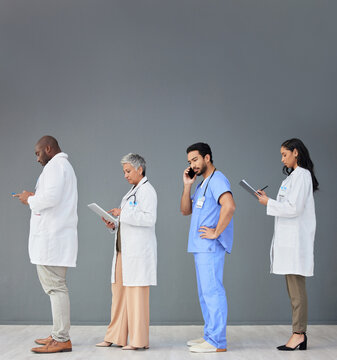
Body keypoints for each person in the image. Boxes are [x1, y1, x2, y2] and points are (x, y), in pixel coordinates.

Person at [14, 136, 78, 353]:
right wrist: (36, 196)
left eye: (38, 153)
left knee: (56, 287)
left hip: (53, 239)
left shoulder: (55, 167)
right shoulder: (61, 167)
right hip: (56, 237)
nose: (37, 158)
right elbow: (52, 197)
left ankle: (61, 338)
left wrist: (29, 199)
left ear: (48, 149)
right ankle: (57, 333)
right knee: (55, 287)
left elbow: (50, 199)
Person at [256, 138, 318, 351]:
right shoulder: (293, 178)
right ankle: (298, 333)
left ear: (296, 153)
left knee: (297, 292)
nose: (282, 159)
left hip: (295, 242)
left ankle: (299, 334)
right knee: (293, 291)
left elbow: (294, 209)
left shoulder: (302, 176)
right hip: (288, 242)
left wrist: (269, 203)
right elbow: (287, 205)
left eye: (284, 154)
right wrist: (269, 200)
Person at [96, 153, 157, 350]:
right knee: (119, 294)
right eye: (124, 172)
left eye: (128, 171)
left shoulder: (148, 191)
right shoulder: (132, 191)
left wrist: (123, 214)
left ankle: (139, 341)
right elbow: (128, 221)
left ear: (140, 169)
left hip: (138, 254)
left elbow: (149, 220)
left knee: (136, 296)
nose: (125, 175)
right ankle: (115, 336)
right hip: (123, 252)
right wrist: (113, 224)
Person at [180, 142, 236, 353]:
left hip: (211, 246)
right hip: (200, 247)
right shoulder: (203, 184)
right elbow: (186, 210)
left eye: (195, 159)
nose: (193, 164)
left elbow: (229, 206)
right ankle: (210, 335)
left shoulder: (218, 179)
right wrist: (187, 185)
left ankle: (217, 342)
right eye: (189, 162)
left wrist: (215, 232)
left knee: (213, 292)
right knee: (206, 293)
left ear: (207, 158)